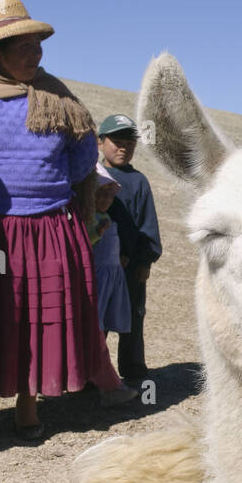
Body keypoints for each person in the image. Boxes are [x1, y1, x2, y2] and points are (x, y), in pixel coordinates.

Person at [0, 0, 134, 441]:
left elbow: (84, 155)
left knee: (33, 318)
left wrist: (47, 190)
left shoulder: (58, 97)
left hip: (48, 228)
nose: (33, 55)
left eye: (36, 46)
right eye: (22, 48)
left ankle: (28, 410)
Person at [98, 114, 162, 382]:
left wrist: (145, 261)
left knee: (134, 318)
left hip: (131, 268)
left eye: (130, 142)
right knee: (96, 319)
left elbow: (147, 225)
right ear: (101, 142)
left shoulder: (139, 182)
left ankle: (133, 369)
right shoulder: (91, 175)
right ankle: (93, 374)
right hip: (96, 265)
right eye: (117, 141)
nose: (124, 147)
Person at [90, 158, 131, 336]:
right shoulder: (89, 219)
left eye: (110, 195)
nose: (106, 199)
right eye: (101, 193)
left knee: (104, 320)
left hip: (111, 279)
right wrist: (97, 232)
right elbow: (84, 243)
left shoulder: (108, 216)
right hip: (95, 278)